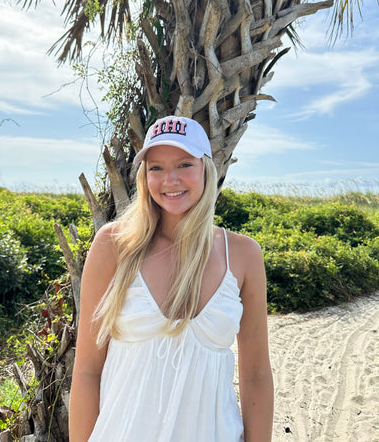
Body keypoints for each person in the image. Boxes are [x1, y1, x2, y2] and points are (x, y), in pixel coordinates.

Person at [69, 115, 273, 442]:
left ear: (206, 168)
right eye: (156, 168)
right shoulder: (114, 246)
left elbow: (257, 375)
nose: (170, 180)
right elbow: (87, 371)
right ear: (144, 176)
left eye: (183, 164)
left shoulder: (244, 255)